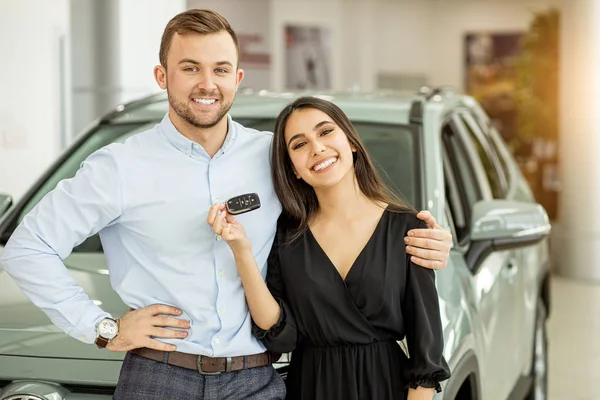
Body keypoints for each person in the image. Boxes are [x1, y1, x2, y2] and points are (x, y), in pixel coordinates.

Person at [0, 9, 451, 400]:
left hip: (256, 380)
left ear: (237, 77)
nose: (206, 84)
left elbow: (343, 214)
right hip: (159, 378)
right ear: (162, 76)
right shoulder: (119, 166)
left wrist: (428, 242)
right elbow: (26, 248)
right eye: (190, 68)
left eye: (220, 69)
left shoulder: (278, 156)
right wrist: (104, 329)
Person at [207, 96, 451, 400]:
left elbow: (425, 353)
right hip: (310, 388)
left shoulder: (408, 229)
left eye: (325, 132)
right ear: (293, 169)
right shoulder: (287, 235)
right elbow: (280, 333)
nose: (317, 148)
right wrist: (241, 251)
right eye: (299, 145)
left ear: (350, 142)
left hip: (386, 387)